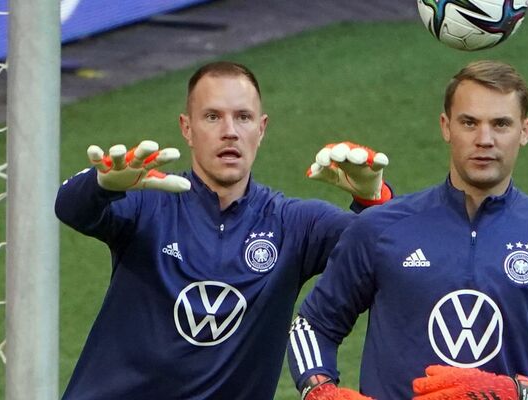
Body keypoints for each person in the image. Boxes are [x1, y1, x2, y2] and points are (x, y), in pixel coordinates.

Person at [55, 61, 392, 399]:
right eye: (212, 117)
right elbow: (70, 208)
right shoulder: (148, 204)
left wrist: (372, 198)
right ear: (187, 128)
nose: (229, 131)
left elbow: (389, 252)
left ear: (261, 129)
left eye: (243, 117)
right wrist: (101, 185)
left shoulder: (294, 224)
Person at [287, 60, 528, 400]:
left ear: (525, 131)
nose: (484, 139)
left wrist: (514, 392)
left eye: (501, 124)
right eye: (469, 122)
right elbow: (312, 326)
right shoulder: (380, 229)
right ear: (446, 126)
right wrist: (318, 390)